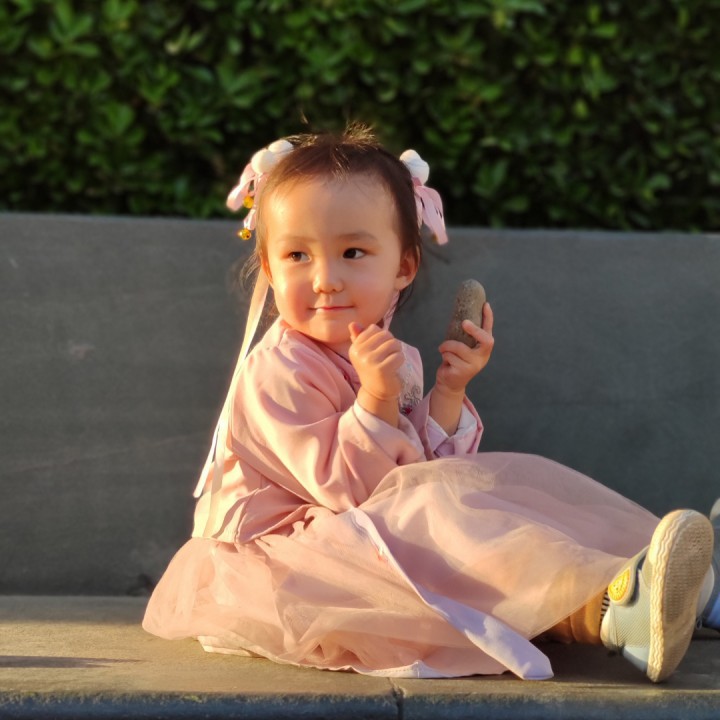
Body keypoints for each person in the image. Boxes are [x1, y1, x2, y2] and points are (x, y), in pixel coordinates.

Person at [143, 125, 719, 683]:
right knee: (449, 523)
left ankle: (692, 589)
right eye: (297, 255)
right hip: (291, 563)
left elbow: (425, 474)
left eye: (352, 252)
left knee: (505, 491)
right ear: (269, 268)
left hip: (361, 532)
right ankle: (613, 613)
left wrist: (448, 391)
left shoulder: (392, 358)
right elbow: (353, 492)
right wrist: (376, 398)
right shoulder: (278, 370)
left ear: (403, 267)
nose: (325, 279)